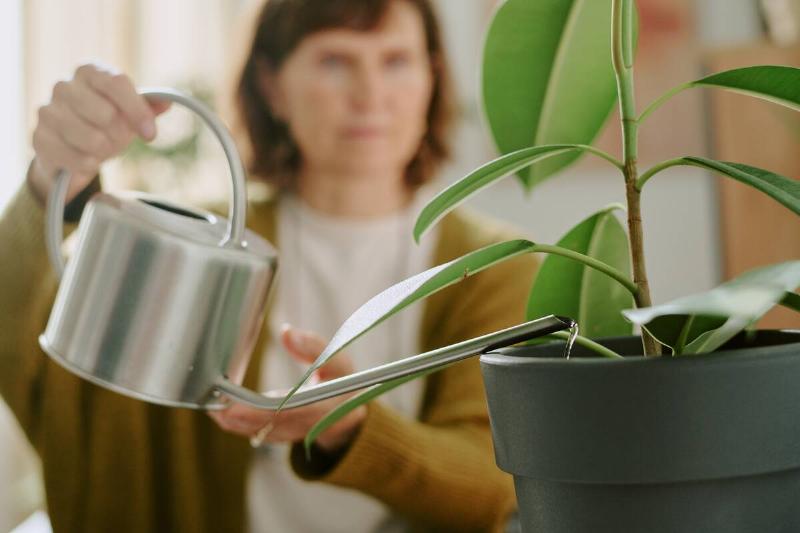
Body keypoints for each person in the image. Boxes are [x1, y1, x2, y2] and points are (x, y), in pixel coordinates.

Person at [0, 0, 538, 531]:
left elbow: (498, 485)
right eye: (334, 61)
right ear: (272, 86)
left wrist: (353, 429)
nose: (371, 95)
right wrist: (55, 179)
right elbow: (22, 339)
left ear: (432, 79)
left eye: (396, 61)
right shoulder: (198, 245)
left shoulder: (496, 267)